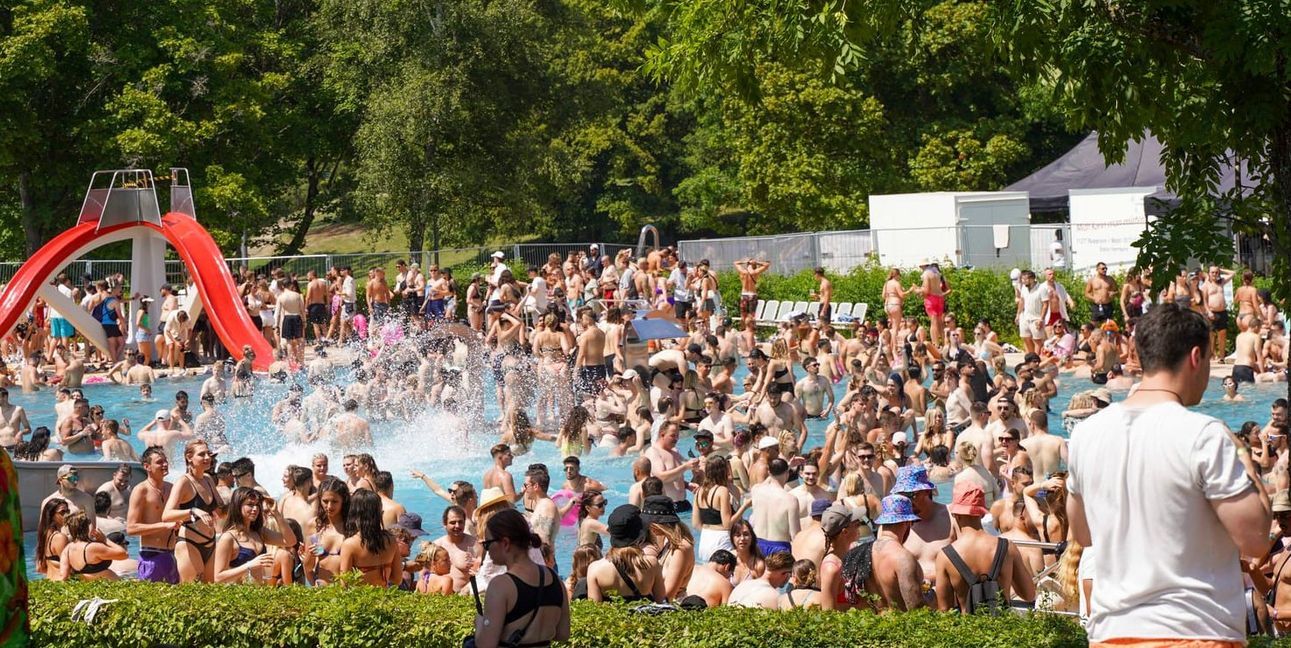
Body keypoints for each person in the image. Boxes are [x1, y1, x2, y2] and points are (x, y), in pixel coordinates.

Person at [1067, 301, 1271, 644]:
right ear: (1196, 357)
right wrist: (1244, 457)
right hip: (1194, 630)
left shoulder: (1086, 434)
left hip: (1112, 634)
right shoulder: (1205, 434)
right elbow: (1255, 539)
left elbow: (1083, 533)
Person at [473, 508, 570, 647]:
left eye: (488, 544)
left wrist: (480, 625)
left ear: (505, 543)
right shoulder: (555, 580)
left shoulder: (501, 585)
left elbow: (486, 645)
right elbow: (563, 634)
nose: (487, 551)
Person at [934, 481, 1033, 613]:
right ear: (981, 513)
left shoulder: (945, 556)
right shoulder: (1007, 547)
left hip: (968, 631)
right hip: (1005, 630)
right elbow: (1029, 594)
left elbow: (945, 609)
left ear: (955, 514)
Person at [163, 440, 223, 583]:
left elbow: (221, 510)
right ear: (189, 457)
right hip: (189, 543)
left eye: (208, 454)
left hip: (210, 542)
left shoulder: (208, 479)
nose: (207, 458)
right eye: (202, 454)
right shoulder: (183, 482)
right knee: (194, 592)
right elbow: (166, 515)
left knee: (211, 593)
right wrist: (193, 510)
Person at [214, 487, 296, 583]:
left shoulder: (260, 532)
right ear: (238, 506)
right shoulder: (228, 538)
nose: (255, 509)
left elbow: (290, 541)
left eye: (257, 505)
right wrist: (250, 565)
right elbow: (218, 577)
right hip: (238, 595)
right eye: (250, 505)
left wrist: (276, 513)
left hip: (260, 593)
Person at [128, 446, 180, 584]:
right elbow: (131, 528)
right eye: (159, 462)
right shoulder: (141, 490)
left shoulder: (172, 488)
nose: (165, 465)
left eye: (165, 461)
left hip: (174, 554)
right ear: (147, 466)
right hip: (151, 556)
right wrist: (164, 526)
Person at [869, 495, 926, 611]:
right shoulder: (903, 557)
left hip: (876, 624)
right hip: (900, 625)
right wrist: (931, 596)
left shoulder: (865, 552)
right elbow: (916, 608)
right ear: (907, 523)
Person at [340, 489, 401, 586]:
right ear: (380, 513)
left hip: (360, 599)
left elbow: (344, 584)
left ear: (355, 514)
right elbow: (397, 579)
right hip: (383, 598)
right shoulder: (391, 540)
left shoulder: (350, 545)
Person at [749, 457, 799, 557]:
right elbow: (795, 535)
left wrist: (785, 468)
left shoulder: (756, 490)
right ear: (787, 474)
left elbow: (767, 481)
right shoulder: (790, 500)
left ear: (769, 472)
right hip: (780, 548)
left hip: (757, 545)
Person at [58, 511, 128, 581]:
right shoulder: (93, 547)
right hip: (107, 586)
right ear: (87, 527)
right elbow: (124, 554)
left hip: (86, 586)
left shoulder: (67, 549)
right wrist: (105, 540)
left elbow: (63, 576)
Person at [729, 551, 794, 609]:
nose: (790, 578)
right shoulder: (775, 597)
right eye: (790, 574)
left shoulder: (741, 586)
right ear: (785, 574)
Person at [35, 498, 70, 579]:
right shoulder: (60, 538)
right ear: (52, 515)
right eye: (62, 512)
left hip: (50, 582)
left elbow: (40, 568)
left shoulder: (44, 536)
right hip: (62, 585)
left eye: (67, 511)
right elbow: (69, 568)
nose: (67, 515)